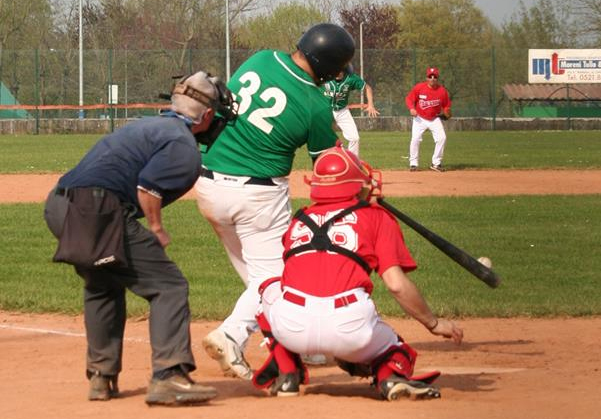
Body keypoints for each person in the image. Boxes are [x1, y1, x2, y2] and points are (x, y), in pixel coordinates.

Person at [44, 70, 237, 406]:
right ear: (206, 115)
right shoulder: (181, 143)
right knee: (168, 286)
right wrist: (157, 228)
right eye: (216, 114)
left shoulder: (143, 125)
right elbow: (148, 186)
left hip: (60, 206)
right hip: (97, 211)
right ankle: (169, 376)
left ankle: (101, 377)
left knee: (103, 283)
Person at [194, 23, 355, 380]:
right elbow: (329, 169)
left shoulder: (260, 59)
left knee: (256, 276)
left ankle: (297, 343)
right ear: (329, 66)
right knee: (282, 275)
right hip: (258, 196)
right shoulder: (315, 105)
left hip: (207, 184)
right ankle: (232, 334)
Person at [251, 143, 463, 399]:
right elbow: (396, 284)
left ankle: (287, 375)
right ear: (356, 185)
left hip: (291, 328)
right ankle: (390, 377)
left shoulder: (299, 219)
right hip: (351, 328)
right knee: (397, 350)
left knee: (268, 289)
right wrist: (434, 323)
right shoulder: (377, 217)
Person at [322, 65, 379, 156]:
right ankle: (323, 162)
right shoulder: (324, 76)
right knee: (322, 139)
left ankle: (353, 162)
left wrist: (371, 104)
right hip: (325, 110)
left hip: (342, 111)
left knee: (354, 138)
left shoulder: (351, 78)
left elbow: (367, 88)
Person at [405, 67, 452, 172]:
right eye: (430, 76)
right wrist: (412, 108)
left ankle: (436, 163)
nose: (432, 78)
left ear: (437, 78)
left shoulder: (442, 91)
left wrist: (447, 111)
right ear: (426, 78)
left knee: (442, 138)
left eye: (434, 76)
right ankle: (413, 163)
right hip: (419, 118)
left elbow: (446, 106)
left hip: (434, 118)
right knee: (415, 139)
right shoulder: (419, 88)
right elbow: (409, 99)